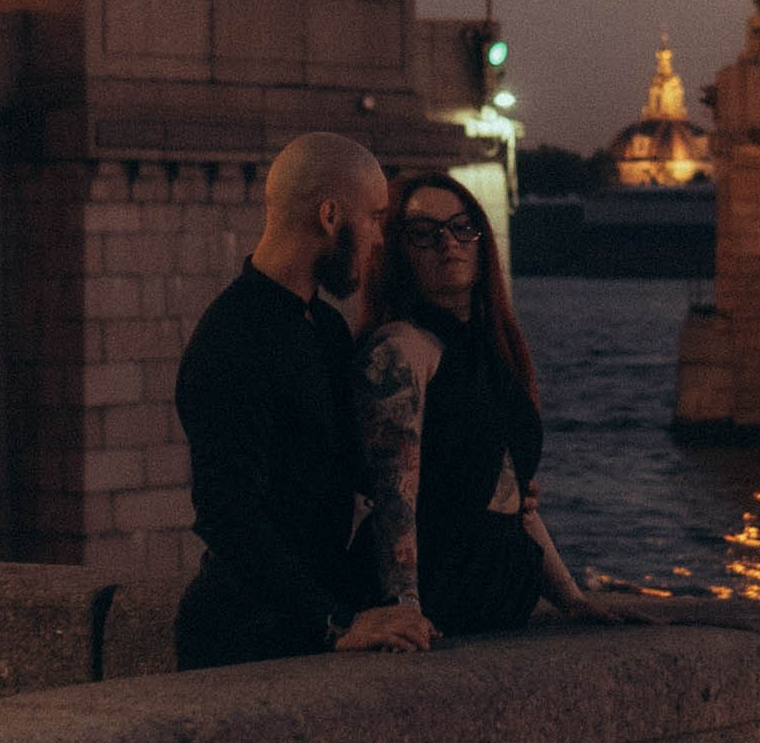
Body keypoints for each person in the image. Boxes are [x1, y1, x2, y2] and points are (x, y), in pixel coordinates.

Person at [174, 133, 438, 668]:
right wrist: (336, 623)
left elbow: (362, 472)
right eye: (374, 218)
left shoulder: (327, 330)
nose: (380, 241)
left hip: (301, 628)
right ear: (330, 216)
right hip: (243, 642)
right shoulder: (233, 336)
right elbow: (227, 514)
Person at [352, 172, 622, 636]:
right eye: (423, 233)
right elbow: (396, 499)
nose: (448, 243)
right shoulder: (404, 348)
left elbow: (511, 497)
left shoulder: (491, 351)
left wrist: (572, 599)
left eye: (462, 227)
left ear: (481, 242)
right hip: (442, 591)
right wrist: (406, 608)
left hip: (495, 594)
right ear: (397, 252)